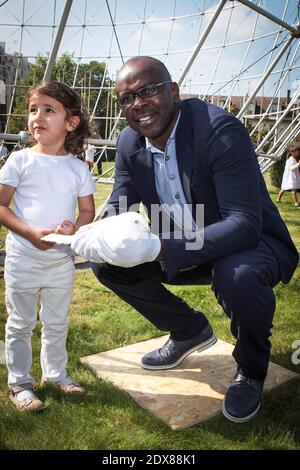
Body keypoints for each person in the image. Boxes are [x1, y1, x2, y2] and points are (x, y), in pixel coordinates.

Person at [74, 56, 298, 424]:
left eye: (147, 91)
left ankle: (251, 370)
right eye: (126, 98)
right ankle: (189, 330)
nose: (137, 104)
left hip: (250, 244)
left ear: (174, 92)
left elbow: (243, 223)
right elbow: (122, 202)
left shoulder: (218, 130)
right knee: (106, 263)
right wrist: (91, 234)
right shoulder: (130, 141)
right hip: (184, 244)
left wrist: (164, 248)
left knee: (236, 275)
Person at [0, 81, 96, 412]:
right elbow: (1, 206)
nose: (37, 116)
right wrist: (28, 232)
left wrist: (74, 229)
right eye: (33, 110)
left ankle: (56, 375)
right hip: (22, 260)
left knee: (57, 322)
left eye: (48, 110)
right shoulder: (19, 161)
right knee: (20, 322)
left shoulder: (77, 167)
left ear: (71, 123)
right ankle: (20, 382)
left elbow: (87, 211)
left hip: (60, 263)